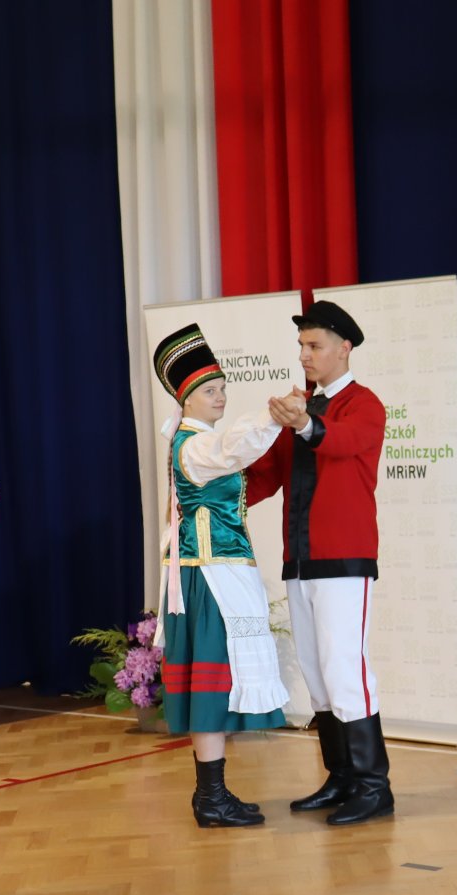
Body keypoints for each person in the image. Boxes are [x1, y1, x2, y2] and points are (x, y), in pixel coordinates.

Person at [243, 300, 393, 826]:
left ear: (344, 348)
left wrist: (305, 423)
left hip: (345, 560)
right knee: (317, 674)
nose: (305, 355)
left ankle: (374, 787)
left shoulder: (363, 404)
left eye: (315, 345)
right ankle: (342, 777)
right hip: (301, 558)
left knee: (346, 670)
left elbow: (344, 442)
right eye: (301, 346)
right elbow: (267, 474)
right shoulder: (299, 409)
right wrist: (217, 494)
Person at [151, 323, 289, 825]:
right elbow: (234, 447)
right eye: (210, 390)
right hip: (208, 578)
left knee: (216, 685)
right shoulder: (193, 446)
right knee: (210, 688)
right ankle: (210, 798)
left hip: (216, 574)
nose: (221, 397)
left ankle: (212, 794)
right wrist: (272, 416)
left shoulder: (198, 441)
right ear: (186, 398)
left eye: (223, 388)